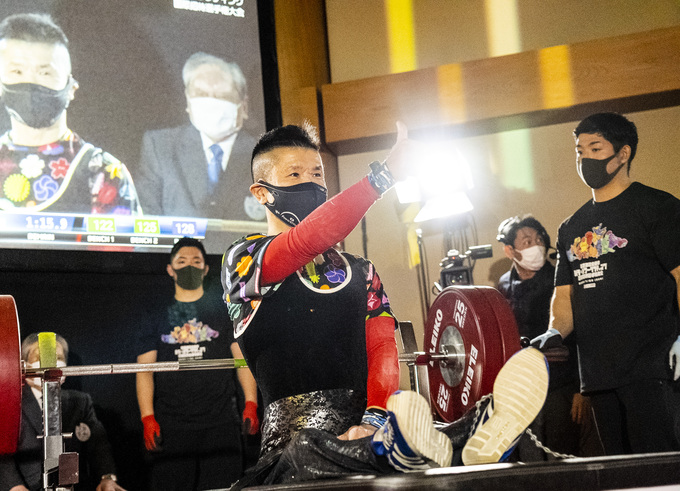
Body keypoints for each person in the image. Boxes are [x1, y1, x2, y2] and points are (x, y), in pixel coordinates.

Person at [220, 122, 550, 486]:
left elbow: (381, 348)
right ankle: (419, 448)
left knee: (423, 432)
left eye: (317, 173)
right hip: (291, 455)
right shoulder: (242, 259)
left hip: (370, 433)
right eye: (294, 174)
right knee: (306, 449)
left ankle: (476, 426)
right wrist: (383, 177)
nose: (310, 183)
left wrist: (373, 420)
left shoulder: (361, 270)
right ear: (262, 193)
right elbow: (306, 241)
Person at [532, 112, 680, 455]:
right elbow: (565, 298)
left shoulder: (658, 207)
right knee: (618, 469)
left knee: (660, 467)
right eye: (580, 150)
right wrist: (554, 332)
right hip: (598, 374)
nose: (585, 158)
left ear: (623, 153)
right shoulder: (571, 227)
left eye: (595, 148)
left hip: (653, 367)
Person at [0, 13, 140, 215]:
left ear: (71, 87)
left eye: (45, 73)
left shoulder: (105, 172)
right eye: (17, 72)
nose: (31, 83)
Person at [136, 237, 259, 491]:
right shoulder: (155, 314)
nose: (189, 266)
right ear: (170, 269)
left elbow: (242, 360)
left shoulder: (223, 309)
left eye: (196, 261)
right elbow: (144, 370)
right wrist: (147, 418)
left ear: (205, 268)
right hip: (172, 424)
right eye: (181, 262)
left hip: (220, 424)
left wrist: (251, 403)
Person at [497, 215, 593, 460]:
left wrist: (581, 389)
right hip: (522, 386)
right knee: (527, 455)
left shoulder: (559, 280)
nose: (536, 245)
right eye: (527, 241)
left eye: (539, 239)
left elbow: (582, 334)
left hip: (560, 384)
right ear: (510, 250)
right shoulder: (504, 285)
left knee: (562, 453)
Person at [0, 333, 125, 491]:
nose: (50, 364)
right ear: (25, 364)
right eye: (40, 357)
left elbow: (99, 445)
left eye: (57, 357)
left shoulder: (80, 402)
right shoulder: (10, 404)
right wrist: (15, 487)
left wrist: (107, 478)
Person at [137, 52, 263, 223]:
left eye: (222, 96)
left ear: (244, 106)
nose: (211, 103)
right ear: (188, 102)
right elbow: (146, 218)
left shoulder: (266, 155)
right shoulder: (159, 146)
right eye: (201, 94)